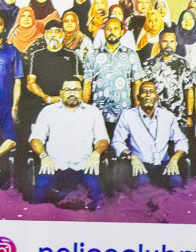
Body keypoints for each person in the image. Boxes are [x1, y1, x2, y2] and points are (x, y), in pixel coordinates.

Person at [29, 79, 109, 209]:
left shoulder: (93, 112)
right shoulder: (48, 111)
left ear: (82, 92)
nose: (72, 93)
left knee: (97, 194)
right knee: (40, 191)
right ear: (61, 93)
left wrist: (96, 153)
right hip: (54, 165)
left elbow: (102, 139)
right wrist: (44, 156)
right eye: (68, 90)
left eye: (76, 89)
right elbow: (36, 138)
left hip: (84, 165)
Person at [114, 80, 187, 191]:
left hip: (164, 164)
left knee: (176, 182)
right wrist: (132, 156)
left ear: (156, 97)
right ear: (138, 97)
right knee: (144, 188)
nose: (148, 94)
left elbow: (181, 140)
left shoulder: (167, 116)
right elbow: (117, 142)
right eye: (144, 91)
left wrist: (175, 158)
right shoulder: (128, 116)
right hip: (140, 164)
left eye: (151, 91)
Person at [86, 16, 144, 134]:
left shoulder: (131, 55)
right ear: (104, 32)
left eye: (115, 29)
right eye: (109, 29)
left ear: (121, 32)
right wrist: (83, 111)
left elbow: (137, 83)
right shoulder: (93, 55)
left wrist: (137, 110)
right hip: (98, 114)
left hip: (123, 113)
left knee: (122, 149)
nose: (112, 32)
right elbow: (87, 83)